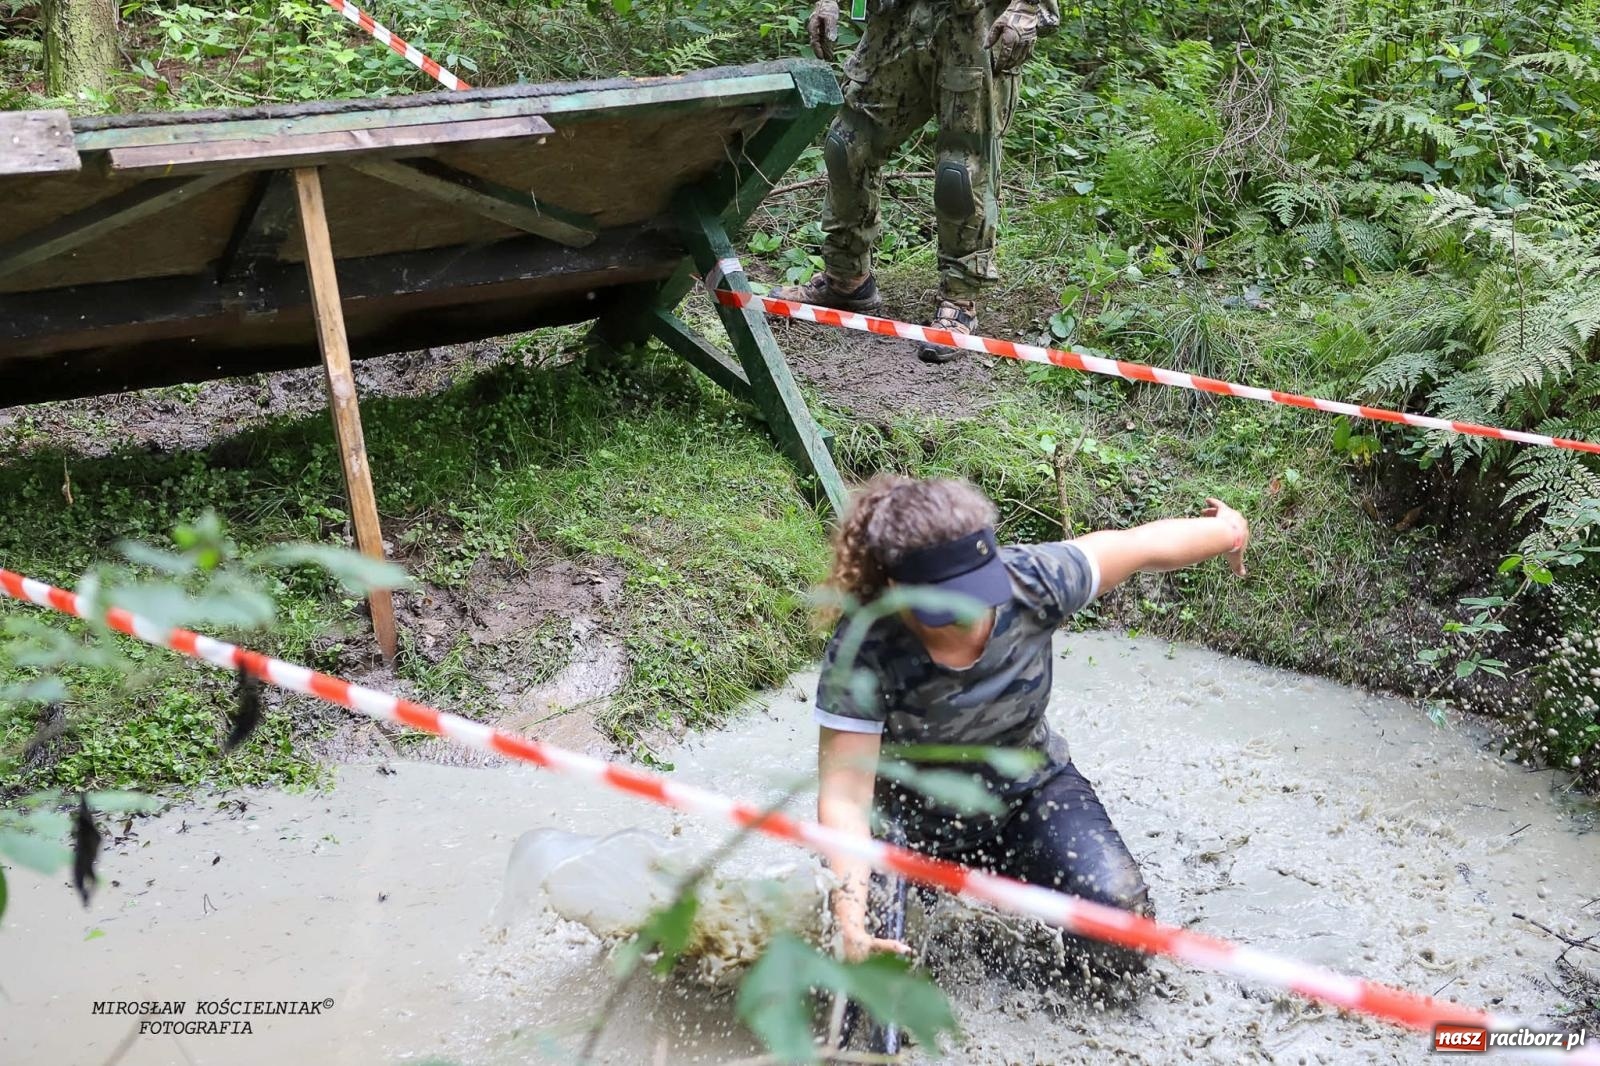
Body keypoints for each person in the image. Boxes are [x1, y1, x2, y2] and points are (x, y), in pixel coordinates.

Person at [814, 475, 1249, 968]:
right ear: (896, 586)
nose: (972, 613)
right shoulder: (864, 648)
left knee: (1122, 927)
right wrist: (849, 916)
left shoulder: (1033, 580)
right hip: (908, 828)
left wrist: (1229, 531)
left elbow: (1141, 545)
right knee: (866, 975)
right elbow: (845, 799)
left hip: (1028, 794)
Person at [773, 0, 1057, 362]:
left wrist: (1025, 9)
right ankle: (846, 279)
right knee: (848, 145)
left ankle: (958, 301)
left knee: (960, 171)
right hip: (897, 19)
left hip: (972, 26)